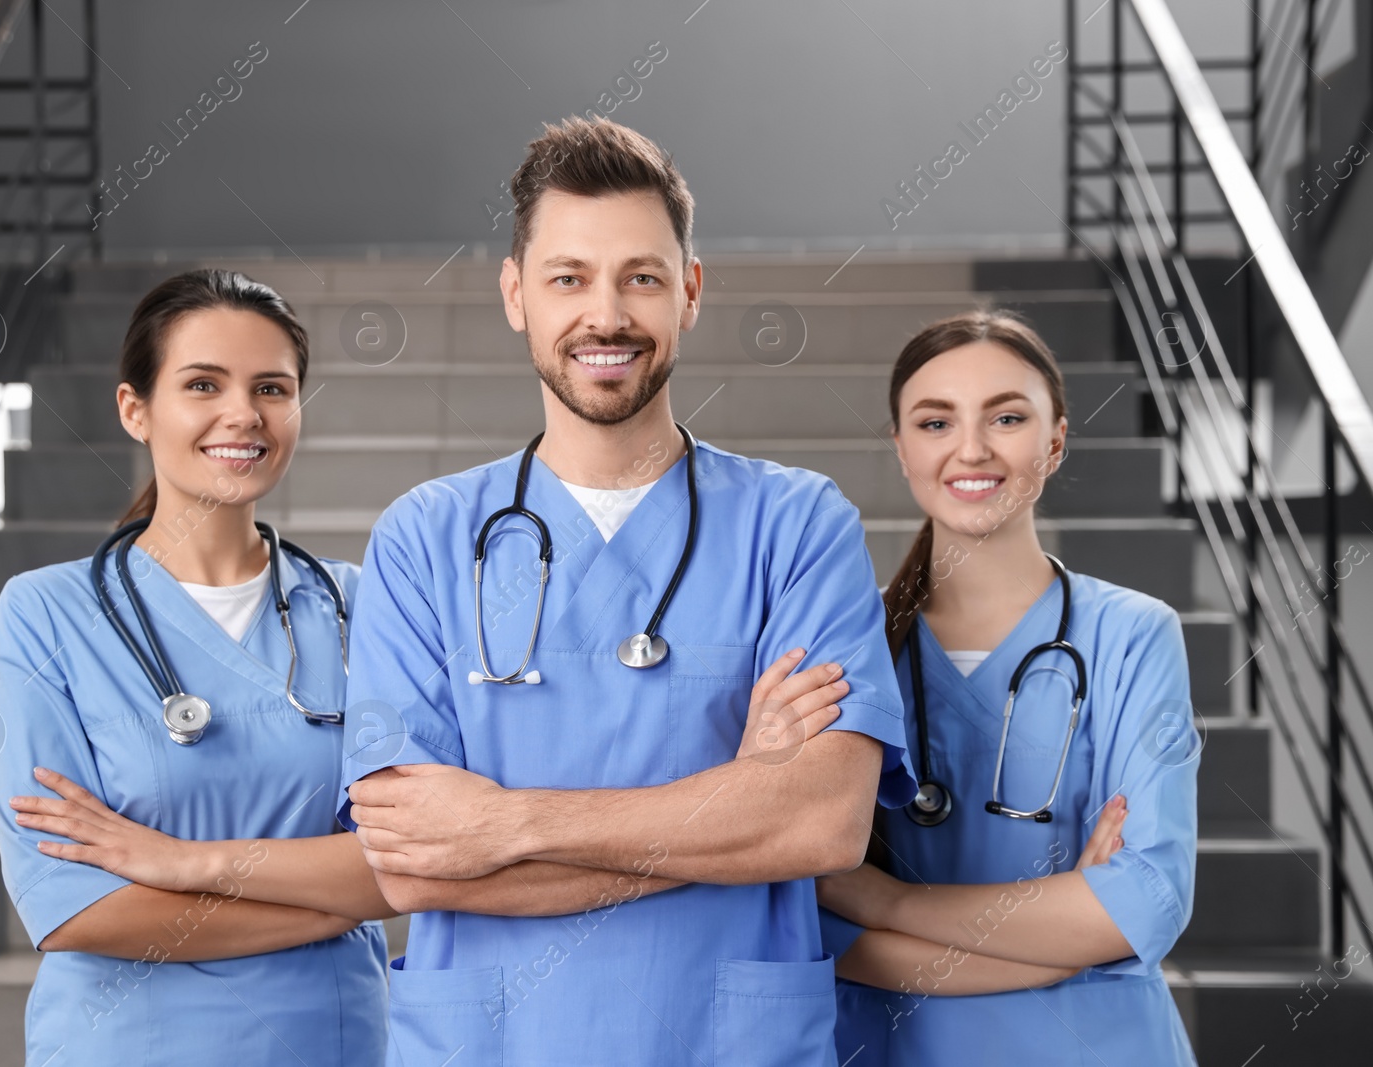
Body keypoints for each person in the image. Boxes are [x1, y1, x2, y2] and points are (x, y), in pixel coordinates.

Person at [336, 115, 917, 1067]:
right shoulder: (423, 536)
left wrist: (507, 824)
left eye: (640, 277)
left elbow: (823, 820)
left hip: (728, 1039)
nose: (606, 316)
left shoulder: (799, 524)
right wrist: (733, 807)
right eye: (569, 278)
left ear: (689, 292)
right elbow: (410, 866)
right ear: (516, 294)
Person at [0, 269, 393, 1067]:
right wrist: (327, 905)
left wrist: (181, 864)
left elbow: (410, 861)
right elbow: (74, 906)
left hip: (327, 1040)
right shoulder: (45, 615)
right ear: (136, 409)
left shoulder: (362, 607)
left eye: (271, 387)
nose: (243, 413)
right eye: (204, 383)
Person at [817, 311, 1200, 1066]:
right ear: (900, 448)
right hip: (897, 1044)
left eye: (1007, 416)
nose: (971, 448)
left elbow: (1145, 904)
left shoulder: (1134, 635)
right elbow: (816, 926)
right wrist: (1062, 942)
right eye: (936, 421)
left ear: (1055, 439)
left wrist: (889, 900)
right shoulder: (842, 641)